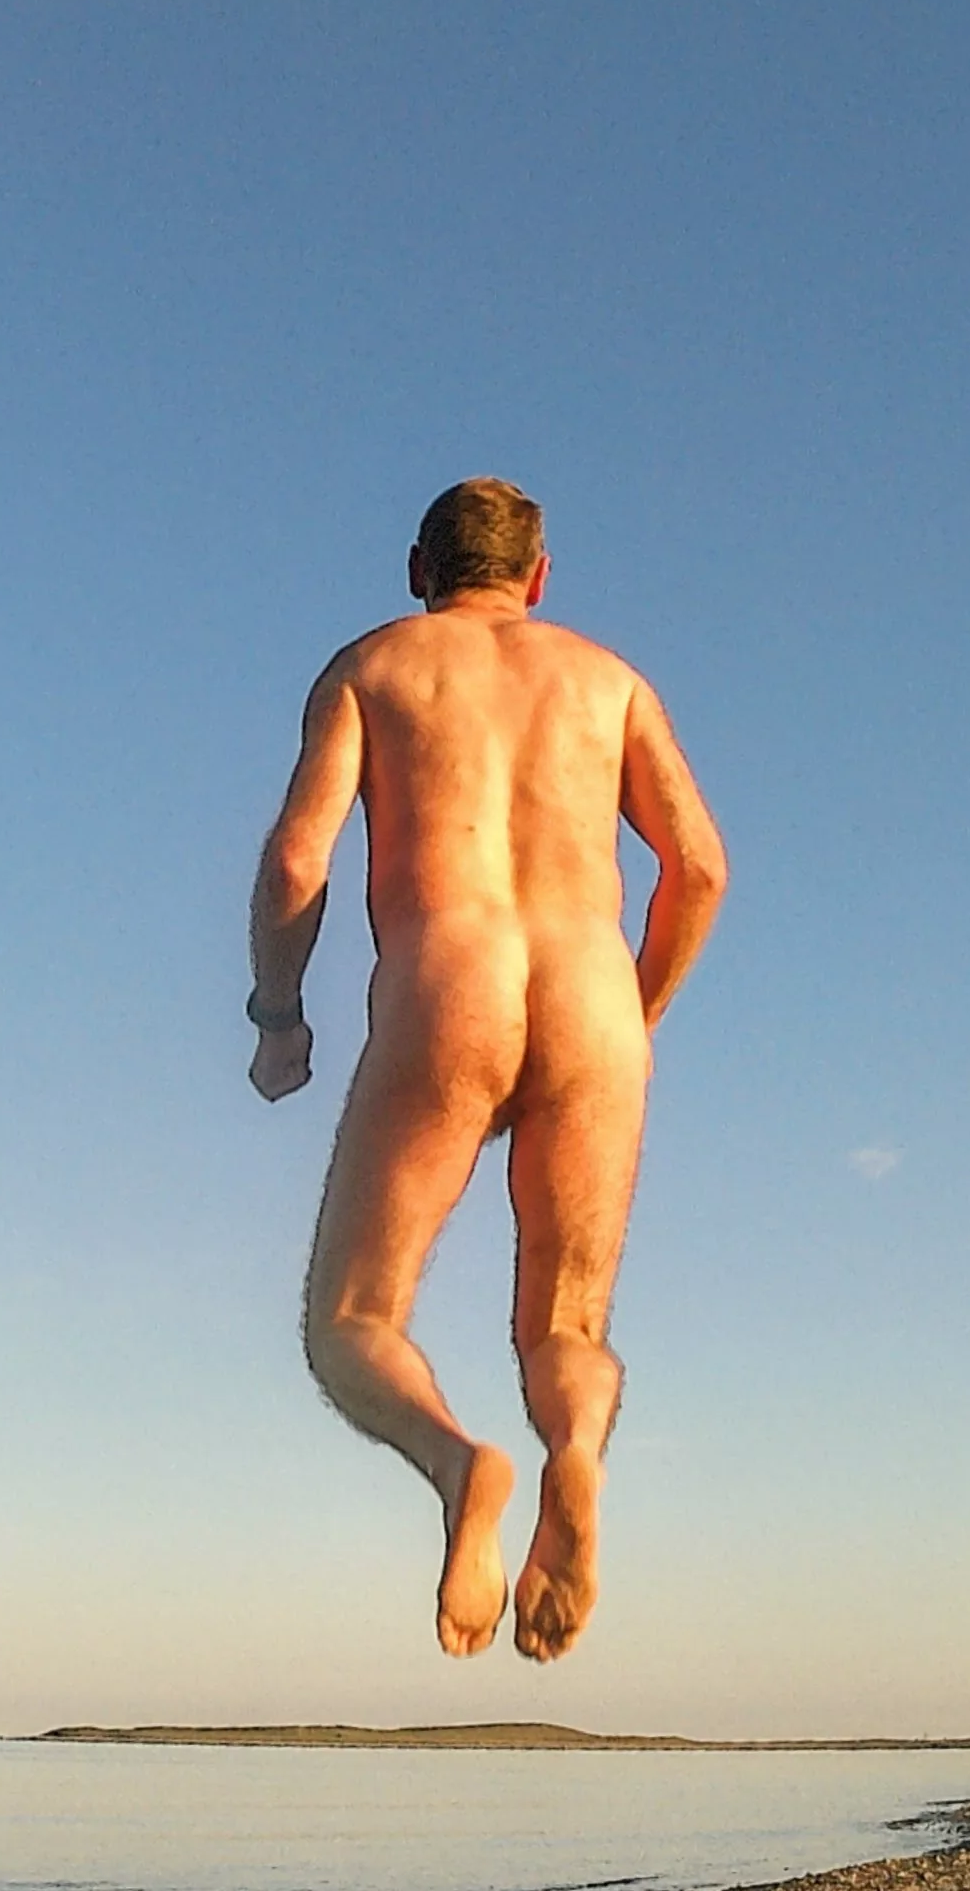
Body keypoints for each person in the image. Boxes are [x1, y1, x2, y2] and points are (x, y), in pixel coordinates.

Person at [245, 478, 728, 1661]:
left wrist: (278, 1017)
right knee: (566, 1326)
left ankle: (462, 1465)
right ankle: (574, 1453)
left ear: (420, 569)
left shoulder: (374, 667)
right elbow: (700, 868)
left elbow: (299, 863)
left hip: (443, 991)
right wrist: (636, 1014)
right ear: (539, 576)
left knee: (352, 1320)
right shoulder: (610, 682)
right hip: (592, 994)